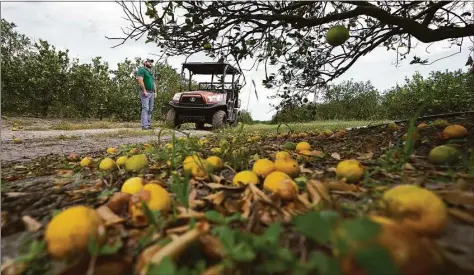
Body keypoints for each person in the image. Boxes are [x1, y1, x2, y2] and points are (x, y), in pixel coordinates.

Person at [136, 58, 157, 130]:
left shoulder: (150, 72)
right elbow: (140, 80)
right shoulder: (142, 70)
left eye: (151, 62)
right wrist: (144, 90)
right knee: (145, 108)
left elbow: (154, 82)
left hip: (152, 92)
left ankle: (148, 124)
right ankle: (144, 126)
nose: (150, 63)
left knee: (150, 109)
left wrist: (155, 92)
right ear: (145, 62)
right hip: (145, 92)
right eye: (149, 62)